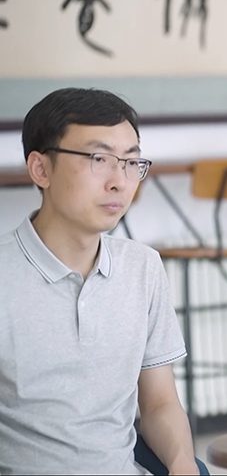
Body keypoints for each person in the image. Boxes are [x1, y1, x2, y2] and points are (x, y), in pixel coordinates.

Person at [0, 88, 203, 475]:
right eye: (99, 159)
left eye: (131, 162)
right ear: (41, 169)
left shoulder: (142, 267)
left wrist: (182, 464)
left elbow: (159, 404)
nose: (119, 182)